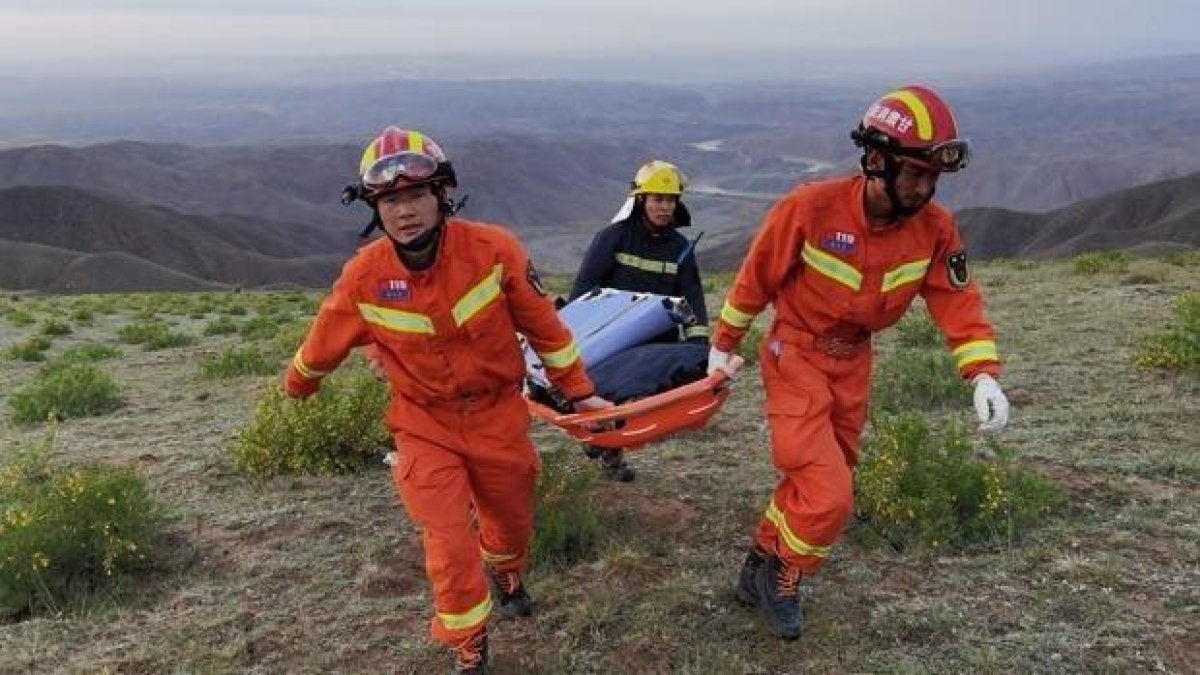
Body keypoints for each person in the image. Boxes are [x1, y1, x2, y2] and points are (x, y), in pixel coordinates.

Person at [283, 126, 611, 674]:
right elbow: (323, 341)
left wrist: (580, 393)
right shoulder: (364, 276)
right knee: (448, 538)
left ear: (441, 196)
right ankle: (469, 645)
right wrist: (297, 386)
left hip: (497, 415)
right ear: (374, 208)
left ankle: (507, 572)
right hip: (422, 423)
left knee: (509, 524)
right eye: (390, 200)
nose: (404, 211)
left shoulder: (494, 250)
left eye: (414, 196)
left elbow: (546, 329)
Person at [706, 85, 1010, 640]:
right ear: (875, 161)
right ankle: (785, 577)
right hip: (794, 355)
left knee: (820, 481)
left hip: (853, 365)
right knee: (828, 495)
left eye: (932, 176)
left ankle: (757, 565)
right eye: (915, 173)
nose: (925, 188)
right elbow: (756, 278)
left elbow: (956, 299)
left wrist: (982, 372)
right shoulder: (809, 208)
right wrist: (723, 345)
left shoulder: (935, 227)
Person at [568, 159, 710, 481]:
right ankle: (606, 448)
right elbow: (584, 289)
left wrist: (698, 343)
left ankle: (607, 446)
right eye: (657, 199)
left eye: (670, 200)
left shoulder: (680, 248)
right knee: (607, 395)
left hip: (656, 340)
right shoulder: (614, 238)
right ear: (641, 200)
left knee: (633, 401)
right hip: (612, 336)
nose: (664, 207)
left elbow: (692, 297)